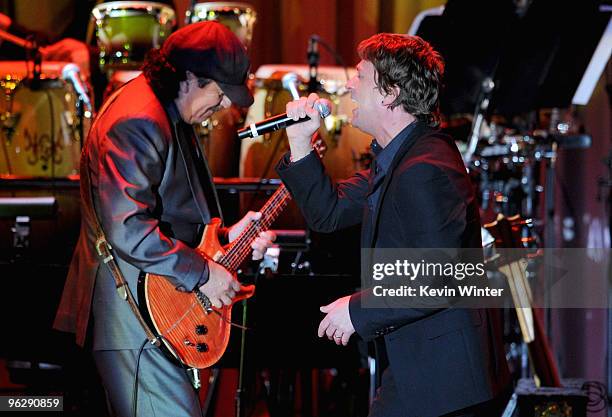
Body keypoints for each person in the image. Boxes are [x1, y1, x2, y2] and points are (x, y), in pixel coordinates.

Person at [277, 34, 510, 417]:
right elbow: (329, 212)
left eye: (359, 75)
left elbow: (440, 278)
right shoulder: (404, 157)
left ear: (389, 92)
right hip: (425, 378)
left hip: (446, 387)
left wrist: (356, 310)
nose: (349, 85)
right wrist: (301, 142)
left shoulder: (425, 169)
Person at [54, 22, 275, 416]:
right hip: (134, 319)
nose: (225, 105)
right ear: (189, 77)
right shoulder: (139, 119)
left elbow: (170, 215)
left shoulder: (165, 110)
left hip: (154, 312)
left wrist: (222, 238)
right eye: (220, 93)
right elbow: (128, 227)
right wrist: (204, 274)